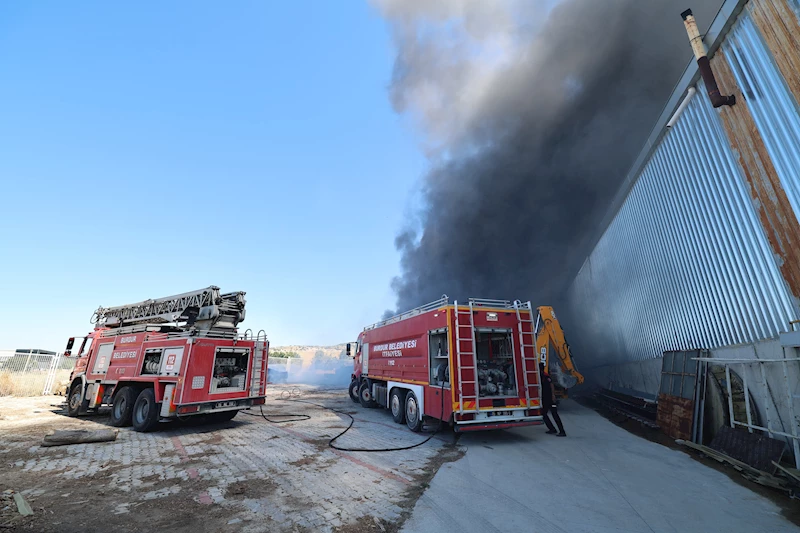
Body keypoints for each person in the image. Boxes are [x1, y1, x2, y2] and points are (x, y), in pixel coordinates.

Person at [540, 362, 566, 437]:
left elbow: (551, 385)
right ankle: (552, 429)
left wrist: (553, 395)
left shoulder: (545, 376)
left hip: (549, 399)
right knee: (544, 414)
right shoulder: (542, 376)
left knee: (554, 414)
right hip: (546, 399)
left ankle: (561, 431)